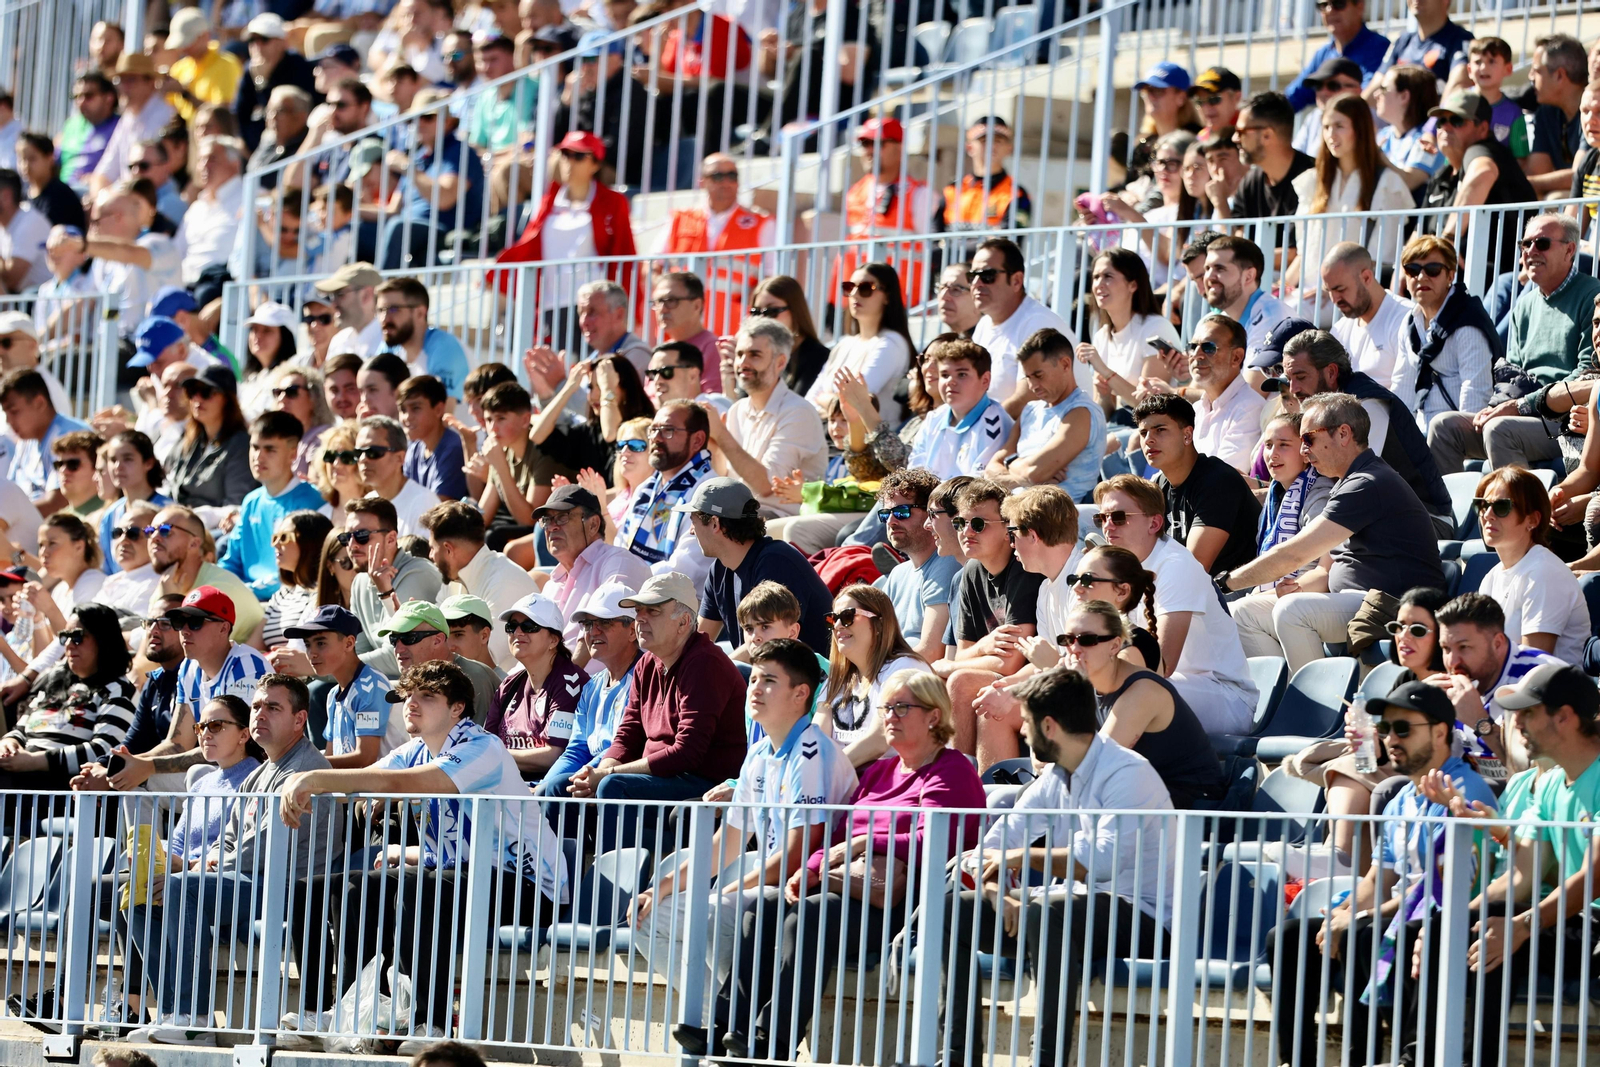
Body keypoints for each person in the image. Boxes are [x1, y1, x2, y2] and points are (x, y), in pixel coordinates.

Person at [277, 660, 565, 1055]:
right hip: (461, 875)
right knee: (332, 886)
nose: (411, 704)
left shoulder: (483, 747)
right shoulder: (415, 749)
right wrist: (302, 783)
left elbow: (400, 783)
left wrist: (312, 778)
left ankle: (430, 1021)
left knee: (421, 885)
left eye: (426, 697)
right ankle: (335, 1012)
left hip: (527, 886)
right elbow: (361, 785)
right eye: (408, 696)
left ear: (458, 708)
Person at [706, 668, 982, 1064]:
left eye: (902, 708)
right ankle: (724, 1028)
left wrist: (866, 842)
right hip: (850, 885)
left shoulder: (952, 769)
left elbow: (935, 841)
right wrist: (813, 867)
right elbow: (837, 836)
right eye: (887, 708)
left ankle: (772, 1040)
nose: (890, 716)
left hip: (906, 903)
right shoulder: (878, 771)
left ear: (934, 716)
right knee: (763, 906)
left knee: (808, 918)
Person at [939, 667, 1172, 1067]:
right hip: (1069, 911)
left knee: (1049, 913)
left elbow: (1099, 864)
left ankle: (1045, 1061)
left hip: (1142, 917)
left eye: (1026, 722)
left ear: (1049, 725)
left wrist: (1018, 860)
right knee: (954, 909)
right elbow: (989, 849)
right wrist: (995, 891)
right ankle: (955, 1058)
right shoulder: (1055, 778)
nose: (1023, 733)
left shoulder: (1126, 773)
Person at [1273, 679, 1495, 1067]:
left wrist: (1358, 918)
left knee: (1364, 931)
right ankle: (1296, 1060)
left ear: (1441, 732)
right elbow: (1377, 880)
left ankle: (1365, 1058)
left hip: (1440, 919)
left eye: (1403, 728)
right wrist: (1341, 915)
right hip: (1397, 914)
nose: (1391, 738)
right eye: (1386, 728)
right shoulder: (1401, 798)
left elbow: (1440, 886)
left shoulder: (1465, 791)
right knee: (1289, 936)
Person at [1223, 393, 1447, 670]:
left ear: (1343, 434)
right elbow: (1326, 570)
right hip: (1350, 599)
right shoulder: (1346, 482)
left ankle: (1321, 709)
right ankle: (1284, 702)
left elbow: (1293, 555)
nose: (1304, 450)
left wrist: (1225, 583)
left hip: (1394, 603)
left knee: (1292, 612)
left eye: (1309, 439)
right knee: (1242, 613)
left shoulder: (1367, 482)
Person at [568, 572, 745, 850]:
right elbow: (628, 736)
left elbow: (687, 753)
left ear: (684, 622)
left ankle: (620, 889)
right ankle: (567, 889)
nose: (640, 619)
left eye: (653, 611)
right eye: (638, 611)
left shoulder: (705, 663)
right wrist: (596, 772)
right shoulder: (646, 663)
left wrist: (606, 777)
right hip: (662, 777)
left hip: (704, 783)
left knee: (613, 788)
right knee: (561, 789)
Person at [1427, 212, 1600, 474]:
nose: (1530, 251)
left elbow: (1586, 376)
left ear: (1570, 250)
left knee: (1500, 429)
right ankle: (1447, 515)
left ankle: (1519, 512)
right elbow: (1513, 374)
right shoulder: (1524, 304)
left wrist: (1522, 406)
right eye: (1525, 244)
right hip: (1524, 411)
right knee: (1443, 426)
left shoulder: (1592, 295)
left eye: (1541, 243)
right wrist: (1499, 406)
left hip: (1566, 417)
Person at [1092, 474, 1258, 732]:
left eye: (1119, 517)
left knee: (1135, 691)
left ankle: (1099, 769)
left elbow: (1163, 664)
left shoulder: (1176, 566)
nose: (1108, 526)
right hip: (1175, 687)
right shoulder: (1124, 568)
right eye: (1102, 518)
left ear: (1154, 522)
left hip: (1226, 697)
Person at [1282, 329, 1454, 532]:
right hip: (1378, 511)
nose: (1293, 388)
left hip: (1425, 520)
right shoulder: (1321, 409)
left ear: (1330, 372)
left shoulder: (1367, 405)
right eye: (1289, 379)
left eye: (1300, 377)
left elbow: (1359, 484)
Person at [1055, 600, 1224, 807]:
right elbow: (1043, 755)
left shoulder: (1142, 690)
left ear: (1115, 645)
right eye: (1068, 640)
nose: (1075, 649)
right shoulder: (1086, 685)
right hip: (1133, 794)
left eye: (1087, 640)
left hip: (1190, 802)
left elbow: (1096, 765)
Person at [934, 478, 1045, 758]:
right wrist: (983, 647)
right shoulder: (970, 572)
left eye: (979, 524)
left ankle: (960, 781)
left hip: (1038, 679)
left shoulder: (1024, 569)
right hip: (1005, 676)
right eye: (960, 524)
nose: (966, 532)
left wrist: (959, 662)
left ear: (1008, 531)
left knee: (960, 681)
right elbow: (963, 654)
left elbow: (1010, 662)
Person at [1283, 94, 1413, 316]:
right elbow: (1306, 252)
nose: (1331, 135)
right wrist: (1280, 288)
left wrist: (1333, 287)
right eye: (1326, 127)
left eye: (1339, 126)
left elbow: (1383, 255)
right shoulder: (1313, 181)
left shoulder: (1386, 183)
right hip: (1307, 293)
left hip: (1351, 297)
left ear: (1359, 129)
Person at [0, 603, 135, 794]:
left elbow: (103, 750)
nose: (69, 644)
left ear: (103, 640)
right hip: (16, 776)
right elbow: (22, 728)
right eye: (65, 637)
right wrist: (8, 742)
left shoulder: (118, 690)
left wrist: (34, 762)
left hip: (59, 788)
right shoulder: (54, 680)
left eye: (78, 637)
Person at [689, 477, 832, 648]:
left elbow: (766, 646)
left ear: (714, 524)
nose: (691, 531)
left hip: (811, 672)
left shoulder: (777, 562)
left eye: (693, 522)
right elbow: (698, 644)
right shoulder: (719, 570)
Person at [709, 318, 827, 515]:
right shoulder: (737, 410)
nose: (743, 363)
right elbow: (726, 476)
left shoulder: (799, 412)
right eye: (739, 354)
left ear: (780, 362)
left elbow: (765, 486)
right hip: (739, 516)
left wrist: (722, 436)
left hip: (777, 520)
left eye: (754, 355)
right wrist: (714, 446)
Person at [535, 582, 641, 800]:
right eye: (587, 624)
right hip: (593, 777)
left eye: (604, 623)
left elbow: (623, 746)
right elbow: (576, 750)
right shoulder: (591, 686)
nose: (592, 631)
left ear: (632, 630)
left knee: (554, 789)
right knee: (545, 790)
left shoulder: (647, 678)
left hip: (619, 781)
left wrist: (582, 776)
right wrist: (539, 790)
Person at [1473, 466, 1590, 663]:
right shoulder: (1491, 577)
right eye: (1482, 505)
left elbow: (1533, 662)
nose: (1487, 515)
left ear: (1532, 520)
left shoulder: (1544, 573)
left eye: (1501, 507)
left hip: (1547, 691)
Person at [1137, 393, 1261, 575]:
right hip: (1187, 588)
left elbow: (1196, 566)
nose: (1148, 439)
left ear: (1187, 435)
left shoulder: (1218, 480)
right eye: (1143, 433)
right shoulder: (1158, 485)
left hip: (1231, 592)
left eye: (1160, 430)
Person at [1417, 90, 1537, 275]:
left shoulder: (1482, 149)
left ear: (1482, 129)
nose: (1446, 127)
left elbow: (1484, 171)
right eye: (1441, 122)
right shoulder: (1441, 176)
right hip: (1446, 273)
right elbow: (1419, 230)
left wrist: (1447, 239)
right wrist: (1404, 266)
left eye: (1457, 120)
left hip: (1499, 275)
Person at [655, 154, 776, 337]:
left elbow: (770, 277)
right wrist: (667, 299)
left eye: (732, 176)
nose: (726, 182)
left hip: (734, 324)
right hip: (680, 324)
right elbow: (652, 267)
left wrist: (750, 305)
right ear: (702, 181)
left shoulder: (762, 223)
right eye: (717, 176)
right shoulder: (679, 219)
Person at [1390, 234, 1497, 429]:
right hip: (1421, 431)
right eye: (1412, 270)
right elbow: (1402, 387)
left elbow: (1475, 392)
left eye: (1432, 270)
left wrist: (1463, 446)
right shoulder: (1409, 323)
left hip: (1454, 437)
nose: (1421, 277)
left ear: (1450, 275)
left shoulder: (1467, 322)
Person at [217, 412, 325, 601]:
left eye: (270, 449)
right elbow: (231, 561)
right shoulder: (251, 501)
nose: (259, 457)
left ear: (292, 454)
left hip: (287, 603)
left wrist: (243, 592)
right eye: (255, 447)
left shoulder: (312, 501)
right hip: (245, 599)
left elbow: (300, 572)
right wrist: (223, 587)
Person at [420, 501, 538, 673]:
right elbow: (432, 641)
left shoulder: (505, 581)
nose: (430, 556)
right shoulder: (454, 579)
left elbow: (485, 659)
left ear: (448, 549)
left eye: (432, 548)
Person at [988, 328, 1104, 498]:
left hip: (1059, 517)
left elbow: (1034, 473)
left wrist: (1010, 462)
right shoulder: (1029, 410)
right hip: (1017, 511)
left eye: (1038, 375)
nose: (1032, 385)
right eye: (1028, 377)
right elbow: (990, 470)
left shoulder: (1081, 412)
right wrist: (1024, 475)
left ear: (1065, 364)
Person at [968, 237, 1077, 418]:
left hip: (1046, 435)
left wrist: (978, 429)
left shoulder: (1037, 323)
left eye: (988, 275)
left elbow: (1027, 397)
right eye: (972, 276)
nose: (977, 283)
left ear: (1017, 280)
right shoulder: (984, 324)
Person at [615, 399, 716, 591]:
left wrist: (623, 577)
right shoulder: (646, 488)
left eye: (667, 430)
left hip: (677, 607)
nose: (656, 438)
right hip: (632, 592)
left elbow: (685, 572)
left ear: (697, 440)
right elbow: (620, 547)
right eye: (653, 430)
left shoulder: (709, 493)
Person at [534, 484, 650, 650]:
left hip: (594, 675)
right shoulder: (551, 585)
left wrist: (568, 676)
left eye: (562, 517)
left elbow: (610, 625)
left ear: (593, 524)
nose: (552, 526)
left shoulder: (617, 561)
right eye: (547, 520)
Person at [484, 592, 586, 780]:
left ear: (553, 640)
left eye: (530, 626)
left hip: (547, 794)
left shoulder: (570, 682)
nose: (518, 633)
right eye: (511, 626)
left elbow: (554, 754)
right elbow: (486, 744)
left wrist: (496, 756)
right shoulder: (508, 685)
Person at [289, 604, 405, 766]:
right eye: (308, 645)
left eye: (320, 643)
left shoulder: (370, 686)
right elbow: (331, 754)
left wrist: (304, 764)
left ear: (349, 643)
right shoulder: (333, 695)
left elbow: (365, 758)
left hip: (383, 788)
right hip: (354, 787)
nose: (312, 653)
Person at [806, 262, 915, 427]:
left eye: (865, 288)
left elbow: (854, 402)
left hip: (870, 445)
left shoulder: (891, 343)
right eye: (849, 287)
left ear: (887, 296)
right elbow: (809, 400)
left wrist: (825, 400)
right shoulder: (844, 344)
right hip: (832, 437)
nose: (855, 295)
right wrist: (833, 404)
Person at [1072, 248, 1182, 412]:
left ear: (1133, 285)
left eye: (1108, 276)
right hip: (1119, 424)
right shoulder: (1101, 336)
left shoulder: (1156, 328)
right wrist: (1104, 396)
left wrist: (1106, 372)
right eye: (1095, 277)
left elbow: (1149, 405)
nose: (1099, 284)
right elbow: (1105, 411)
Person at [873, 469, 963, 664]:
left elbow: (931, 652)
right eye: (885, 514)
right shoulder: (897, 573)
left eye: (901, 512)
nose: (891, 521)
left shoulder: (948, 564)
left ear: (930, 515)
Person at [907, 337, 1014, 480]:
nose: (950, 382)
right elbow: (914, 473)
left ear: (985, 380)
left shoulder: (994, 424)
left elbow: (978, 486)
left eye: (962, 374)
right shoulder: (933, 418)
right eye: (945, 375)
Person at [1217, 92, 1314, 243]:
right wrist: (1220, 201)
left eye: (1241, 132)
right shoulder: (1250, 182)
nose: (1234, 138)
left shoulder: (1313, 177)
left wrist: (1251, 256)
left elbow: (1300, 253)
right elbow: (1237, 243)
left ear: (1267, 135)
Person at [166, 364, 258, 513]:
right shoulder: (189, 438)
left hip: (214, 531)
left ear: (228, 399)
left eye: (206, 392)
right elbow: (167, 482)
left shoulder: (241, 445)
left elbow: (235, 506)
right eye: (192, 391)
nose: (196, 398)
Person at [1, 367, 91, 511]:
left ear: (39, 403)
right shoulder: (25, 440)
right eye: (6, 413)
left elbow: (57, 503)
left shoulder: (70, 435)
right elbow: (8, 491)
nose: (8, 420)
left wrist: (10, 515)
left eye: (14, 412)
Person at [1199, 235, 1290, 369]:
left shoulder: (1271, 317)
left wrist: (1181, 391)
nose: (1208, 277)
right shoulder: (1212, 320)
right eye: (1207, 269)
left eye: (1220, 268)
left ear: (1248, 277)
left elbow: (1253, 387)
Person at [90, 54, 176, 194]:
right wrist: (97, 197)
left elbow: (151, 176)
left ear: (151, 82)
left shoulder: (166, 115)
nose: (123, 87)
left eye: (131, 80)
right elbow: (103, 173)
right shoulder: (127, 118)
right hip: (128, 195)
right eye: (120, 81)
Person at [1283, 0, 1390, 112]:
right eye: (1323, 5)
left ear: (1360, 6)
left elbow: (1365, 99)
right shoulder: (1323, 53)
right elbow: (1293, 97)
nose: (1330, 11)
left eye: (1339, 4)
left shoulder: (1379, 48)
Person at [938, 117, 1032, 238]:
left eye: (998, 141)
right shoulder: (952, 190)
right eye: (984, 140)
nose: (991, 146)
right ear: (970, 148)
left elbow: (1009, 244)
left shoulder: (1017, 194)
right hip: (948, 257)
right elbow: (932, 241)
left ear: (1009, 148)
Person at [354, 415, 439, 539]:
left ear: (400, 457)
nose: (363, 459)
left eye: (373, 452)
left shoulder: (423, 502)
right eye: (358, 452)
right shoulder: (368, 501)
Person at [1523, 34, 1588, 197]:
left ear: (1559, 75)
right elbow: (1536, 173)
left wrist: (1524, 183)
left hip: (1592, 200)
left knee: (1554, 199)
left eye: (1537, 71)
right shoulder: (1546, 112)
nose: (1530, 77)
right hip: (1574, 200)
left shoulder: (1594, 109)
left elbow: (1579, 176)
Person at [260, 510, 331, 649]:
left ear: (309, 542)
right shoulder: (282, 594)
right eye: (275, 537)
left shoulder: (325, 593)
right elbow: (252, 646)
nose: (276, 544)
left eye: (284, 537)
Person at [1373, 65, 1445, 190]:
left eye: (1383, 89)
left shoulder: (1428, 139)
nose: (1375, 94)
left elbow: (1408, 182)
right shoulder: (1383, 135)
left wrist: (1376, 155)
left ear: (1404, 96)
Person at [266, 364, 333, 480]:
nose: (282, 398)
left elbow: (316, 484)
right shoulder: (277, 440)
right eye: (278, 392)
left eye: (291, 392)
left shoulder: (324, 437)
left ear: (313, 398)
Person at [316, 262, 384, 362]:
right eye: (332, 296)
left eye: (340, 294)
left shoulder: (390, 340)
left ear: (366, 295)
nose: (333, 304)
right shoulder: (339, 341)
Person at [49, 430, 106, 518]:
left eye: (73, 464)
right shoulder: (59, 518)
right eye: (59, 464)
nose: (63, 470)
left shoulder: (109, 516)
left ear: (97, 467)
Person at [935, 265, 981, 340]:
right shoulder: (940, 344)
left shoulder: (987, 344)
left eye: (956, 290)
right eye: (941, 288)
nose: (944, 296)